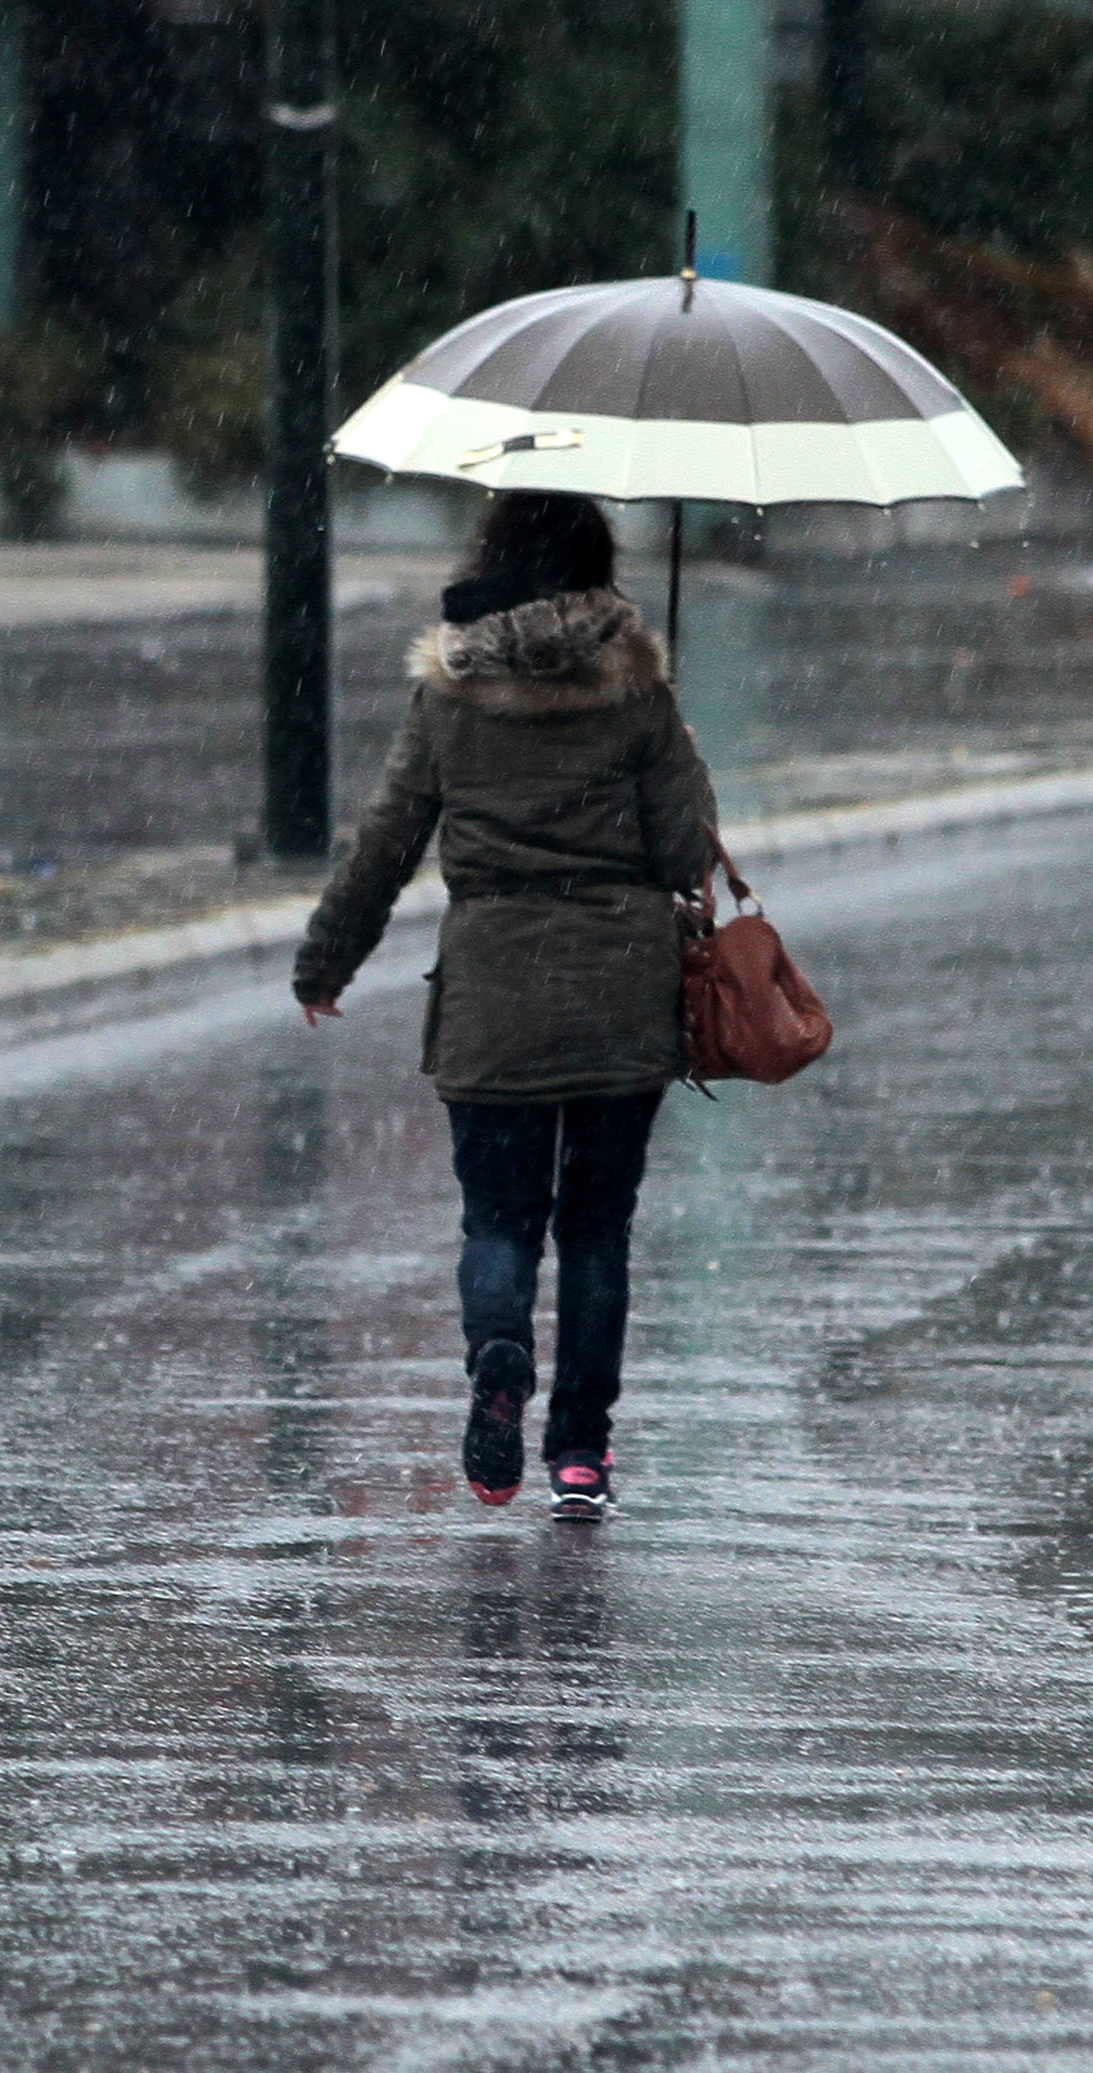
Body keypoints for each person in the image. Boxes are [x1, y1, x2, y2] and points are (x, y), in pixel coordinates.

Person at [293, 489, 719, 1521]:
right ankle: (580, 1454)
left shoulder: (451, 689)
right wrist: (671, 726)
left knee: (499, 1220)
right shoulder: (638, 688)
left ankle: (498, 1351)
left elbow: (387, 840)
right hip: (622, 990)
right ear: (595, 568)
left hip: (493, 992)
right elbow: (681, 849)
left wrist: (327, 961)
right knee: (598, 1228)